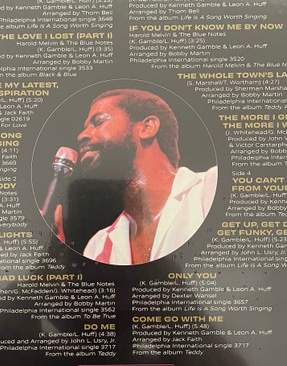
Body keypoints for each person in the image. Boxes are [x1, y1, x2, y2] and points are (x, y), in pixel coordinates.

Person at [69, 88, 217, 265]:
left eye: (98, 121)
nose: (81, 136)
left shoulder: (212, 189)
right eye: (85, 128)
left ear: (147, 128)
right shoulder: (98, 246)